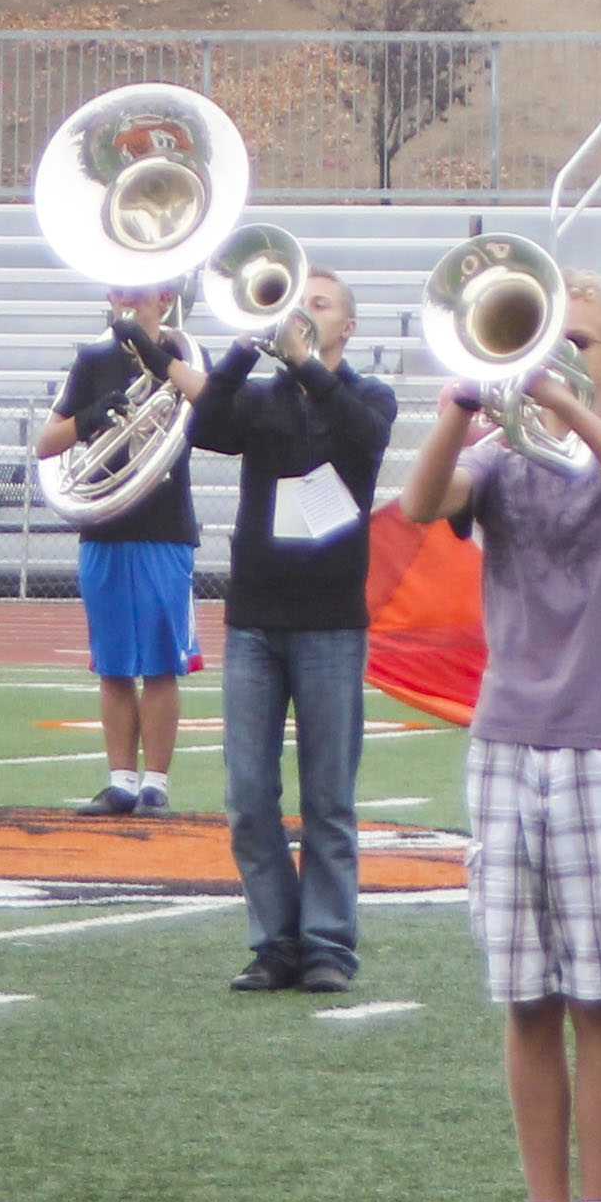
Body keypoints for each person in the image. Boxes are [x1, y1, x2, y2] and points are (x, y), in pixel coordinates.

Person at [398, 274, 601, 1202]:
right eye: (545, 339)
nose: (557, 353)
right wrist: (457, 411)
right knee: (525, 993)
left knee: (600, 994)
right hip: (508, 741)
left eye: (581, 342)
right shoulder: (498, 460)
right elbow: (420, 503)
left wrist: (569, 410)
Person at [190, 269, 397, 994]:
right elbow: (204, 428)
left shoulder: (368, 397)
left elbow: (363, 441)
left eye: (318, 304)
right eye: (293, 301)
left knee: (329, 798)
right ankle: (275, 940)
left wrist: (306, 363)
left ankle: (329, 944)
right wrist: (246, 348)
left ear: (347, 328)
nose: (301, 312)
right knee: (248, 797)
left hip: (332, 623)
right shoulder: (260, 397)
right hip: (254, 618)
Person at [41, 287, 206, 815]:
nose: (128, 300)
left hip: (165, 526)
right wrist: (88, 419)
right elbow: (46, 443)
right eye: (120, 291)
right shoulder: (92, 359)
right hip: (105, 526)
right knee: (112, 664)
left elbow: (217, 408)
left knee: (161, 664)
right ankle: (121, 782)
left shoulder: (184, 358)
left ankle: (156, 784)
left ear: (164, 297)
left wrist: (160, 364)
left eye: (140, 292)